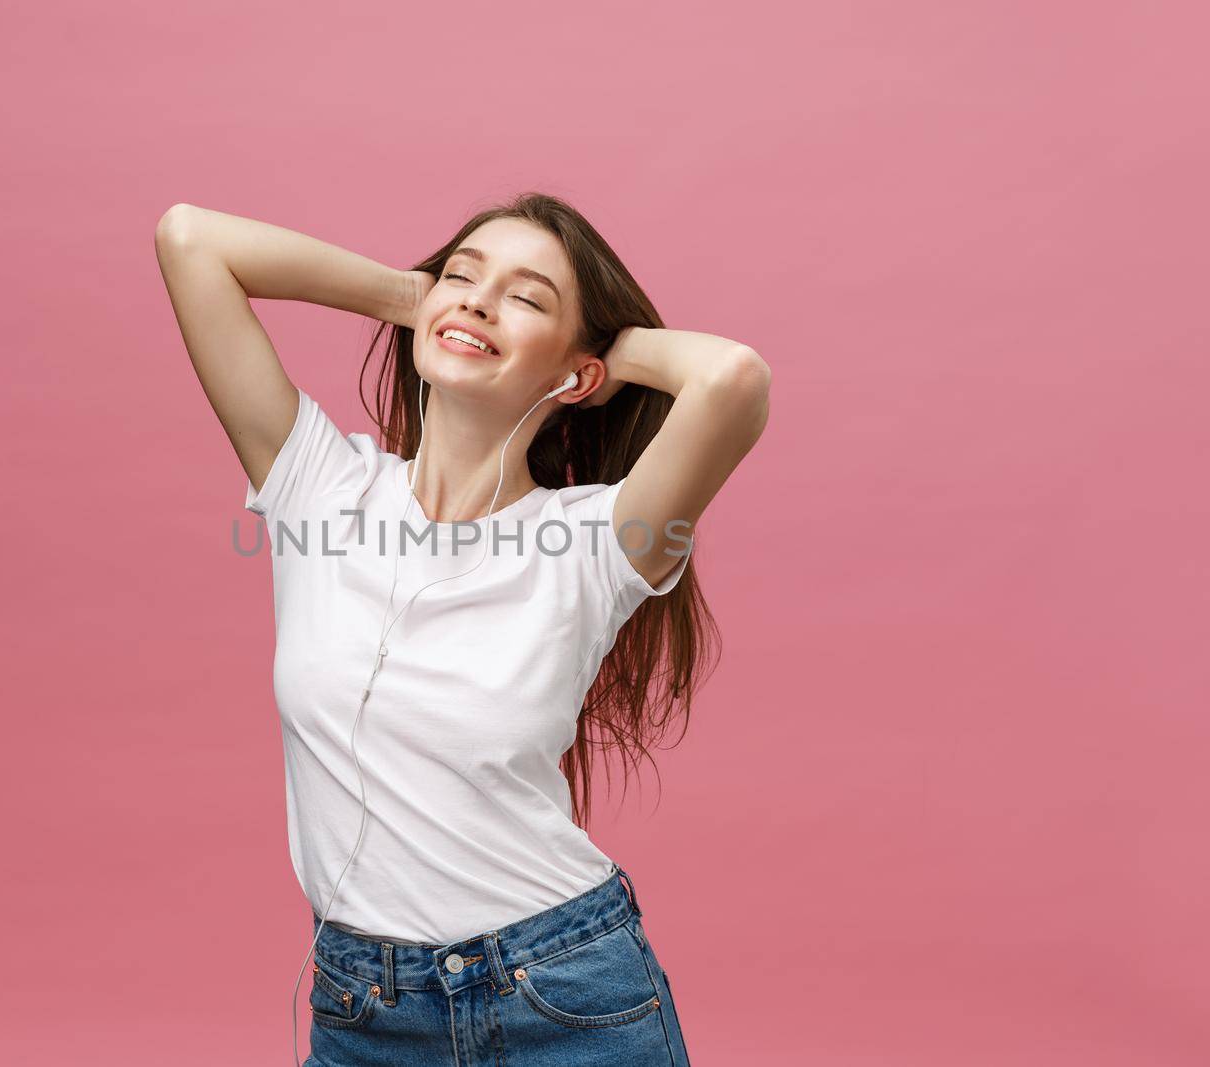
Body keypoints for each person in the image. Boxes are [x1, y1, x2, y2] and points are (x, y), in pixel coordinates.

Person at [154, 191, 771, 1065]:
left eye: (527, 296)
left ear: (577, 378)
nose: (478, 300)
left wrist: (596, 352)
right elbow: (190, 240)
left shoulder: (597, 540)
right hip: (363, 1004)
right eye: (463, 274)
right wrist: (416, 298)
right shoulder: (319, 492)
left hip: (561, 991)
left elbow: (733, 378)